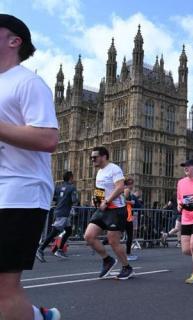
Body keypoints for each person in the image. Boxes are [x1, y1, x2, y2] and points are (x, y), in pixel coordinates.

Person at [0, 14, 61, 319]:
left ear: (14, 40)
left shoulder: (28, 82)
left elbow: (48, 138)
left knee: (3, 290)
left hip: (19, 193)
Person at [84, 146, 134, 280]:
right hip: (103, 209)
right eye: (91, 158)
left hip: (116, 210)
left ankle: (127, 267)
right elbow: (100, 189)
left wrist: (107, 200)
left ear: (104, 156)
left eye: (95, 157)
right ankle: (107, 260)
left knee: (113, 241)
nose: (92, 159)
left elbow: (120, 187)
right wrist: (96, 200)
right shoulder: (99, 172)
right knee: (89, 236)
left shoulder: (114, 169)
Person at [36, 171, 78, 262]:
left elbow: (54, 198)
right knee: (54, 232)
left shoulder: (58, 187)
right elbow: (74, 200)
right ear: (71, 178)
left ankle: (59, 250)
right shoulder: (72, 188)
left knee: (68, 231)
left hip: (59, 211)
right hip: (64, 212)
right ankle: (40, 249)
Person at [124, 178, 138, 261]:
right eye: (132, 184)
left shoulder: (125, 190)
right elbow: (122, 201)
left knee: (119, 232)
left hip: (127, 214)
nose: (133, 186)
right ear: (130, 184)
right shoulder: (127, 190)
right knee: (130, 234)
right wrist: (131, 202)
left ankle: (128, 252)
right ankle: (128, 253)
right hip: (127, 214)